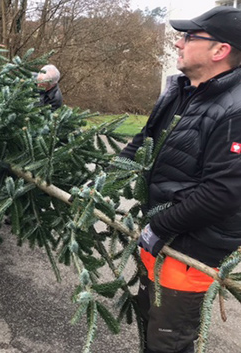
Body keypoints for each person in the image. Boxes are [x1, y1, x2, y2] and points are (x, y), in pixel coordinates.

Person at [119, 7, 241, 353]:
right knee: (149, 322)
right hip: (158, 238)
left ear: (220, 51)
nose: (178, 43)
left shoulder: (236, 110)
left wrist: (159, 228)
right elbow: (143, 140)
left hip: (190, 248)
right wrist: (106, 179)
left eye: (189, 37)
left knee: (169, 340)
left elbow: (223, 193)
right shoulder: (179, 90)